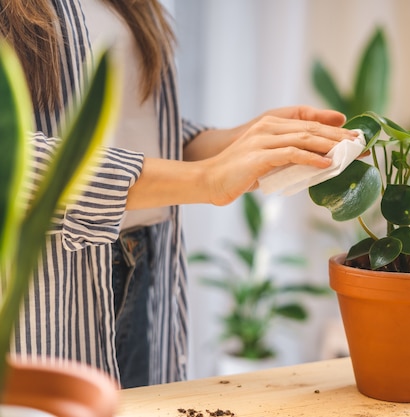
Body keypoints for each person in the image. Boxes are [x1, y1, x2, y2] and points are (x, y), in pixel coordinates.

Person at [0, 0, 356, 388]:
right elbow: (14, 157)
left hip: (144, 261)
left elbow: (146, 132)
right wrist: (206, 179)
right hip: (48, 287)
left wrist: (243, 144)